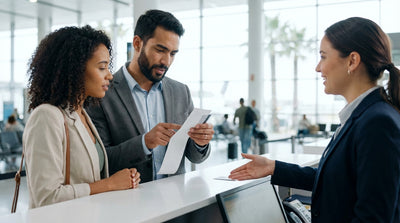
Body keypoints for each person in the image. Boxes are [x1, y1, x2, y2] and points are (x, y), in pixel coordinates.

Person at [229, 17, 400, 222]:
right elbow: (338, 179)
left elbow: (374, 217)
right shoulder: (363, 115)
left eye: (323, 57)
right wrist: (274, 167)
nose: (318, 68)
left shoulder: (377, 122)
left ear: (352, 61)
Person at [86, 9, 213, 183]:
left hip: (176, 201)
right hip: (128, 203)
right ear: (137, 44)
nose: (166, 61)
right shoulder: (102, 93)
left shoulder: (180, 92)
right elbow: (99, 160)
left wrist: (200, 142)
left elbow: (195, 157)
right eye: (160, 50)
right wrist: (144, 143)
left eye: (173, 53)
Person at [23, 25, 141, 209]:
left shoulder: (82, 114)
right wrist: (110, 184)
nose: (109, 75)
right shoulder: (46, 116)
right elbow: (46, 198)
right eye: (102, 67)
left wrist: (123, 180)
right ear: (75, 69)